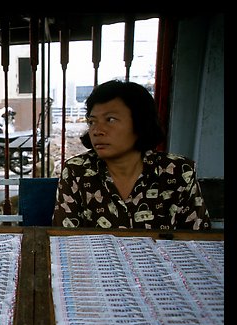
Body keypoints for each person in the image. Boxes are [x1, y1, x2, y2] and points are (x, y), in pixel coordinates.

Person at [52, 80, 211, 230]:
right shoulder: (77, 171)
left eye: (110, 119)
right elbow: (65, 240)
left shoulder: (178, 172)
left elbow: (198, 239)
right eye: (92, 122)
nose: (97, 130)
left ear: (140, 123)